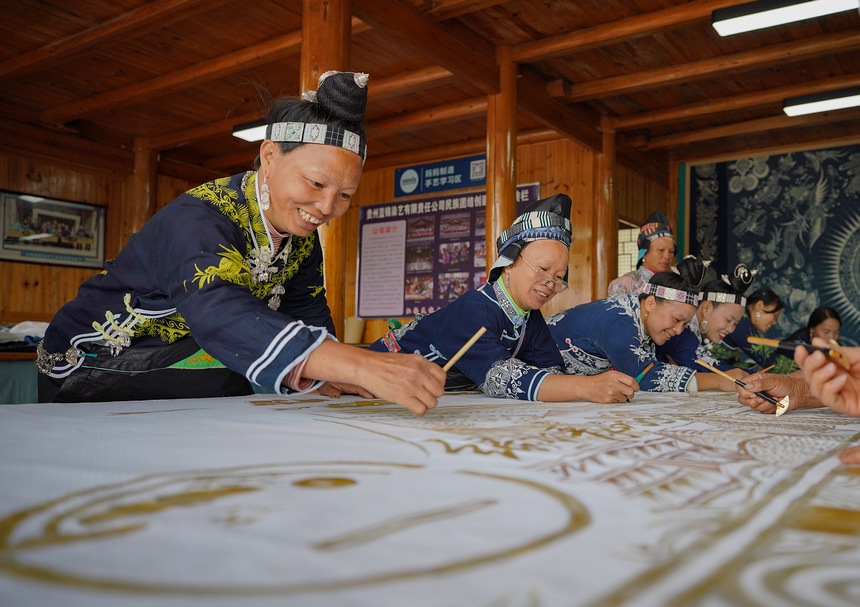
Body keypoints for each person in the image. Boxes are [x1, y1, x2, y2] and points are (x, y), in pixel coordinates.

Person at [36, 70, 445, 416]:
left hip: (183, 361)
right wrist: (359, 364)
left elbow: (305, 306)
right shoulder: (198, 219)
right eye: (316, 183)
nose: (325, 207)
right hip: (95, 368)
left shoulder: (297, 232)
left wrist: (333, 372)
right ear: (269, 155)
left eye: (344, 195)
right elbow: (220, 310)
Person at [369, 193, 638, 403]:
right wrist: (588, 388)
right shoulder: (473, 309)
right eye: (543, 269)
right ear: (508, 262)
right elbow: (500, 377)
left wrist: (599, 378)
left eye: (558, 277)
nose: (550, 283)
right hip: (375, 385)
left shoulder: (529, 319)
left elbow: (551, 372)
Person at [547, 256, 739, 393]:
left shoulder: (641, 319)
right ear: (650, 303)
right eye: (676, 319)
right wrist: (718, 381)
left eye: (685, 323)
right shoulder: (619, 316)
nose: (679, 330)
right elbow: (643, 374)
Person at [656, 263, 753, 379]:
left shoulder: (691, 333)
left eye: (736, 323)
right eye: (728, 320)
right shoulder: (681, 334)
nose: (731, 329)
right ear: (706, 308)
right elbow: (710, 368)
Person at [709, 288, 798, 373]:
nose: (775, 322)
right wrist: (803, 368)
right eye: (775, 316)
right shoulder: (742, 322)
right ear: (759, 306)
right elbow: (768, 358)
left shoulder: (745, 323)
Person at [608, 210, 676, 296]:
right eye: (661, 250)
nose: (667, 256)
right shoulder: (624, 284)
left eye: (671, 251)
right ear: (644, 252)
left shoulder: (676, 284)